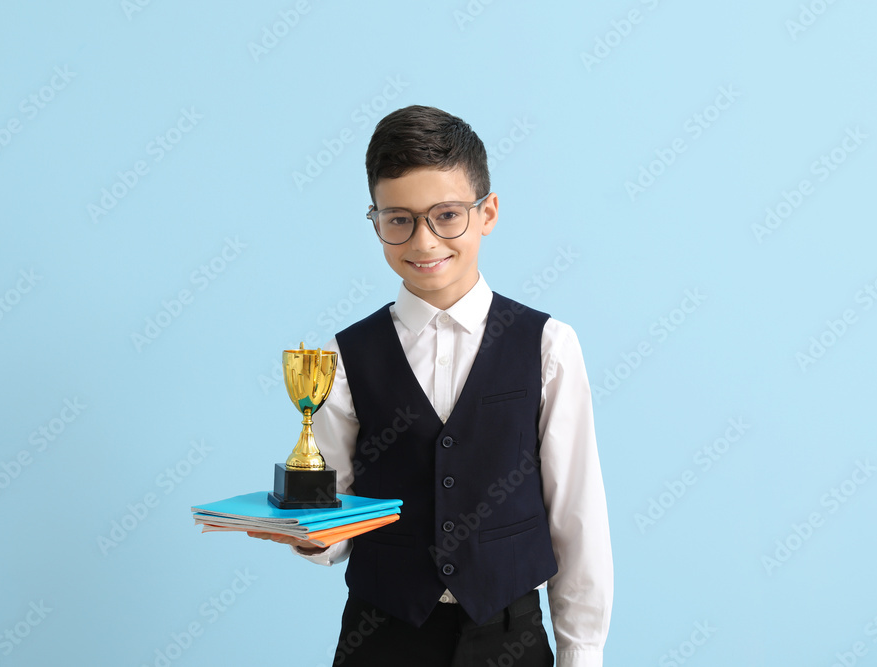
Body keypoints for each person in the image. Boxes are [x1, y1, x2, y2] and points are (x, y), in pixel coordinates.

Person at [248, 105, 612, 667]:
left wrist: (582, 654)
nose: (423, 241)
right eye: (399, 219)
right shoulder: (348, 355)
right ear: (375, 221)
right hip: (381, 636)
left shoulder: (547, 345)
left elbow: (576, 517)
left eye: (446, 215)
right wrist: (307, 533)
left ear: (487, 213)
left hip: (509, 637)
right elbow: (338, 526)